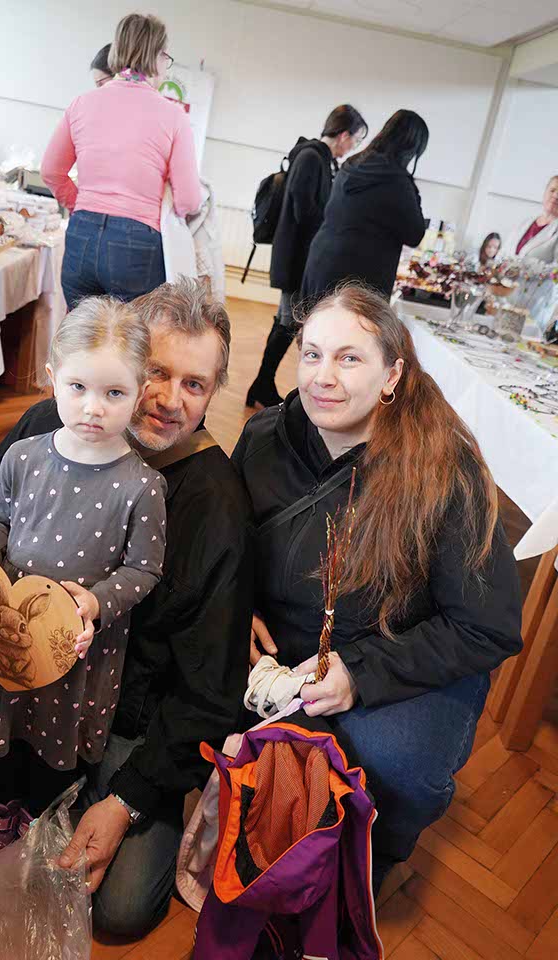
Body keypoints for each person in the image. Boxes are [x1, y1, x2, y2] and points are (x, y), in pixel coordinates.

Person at [0, 278, 252, 937]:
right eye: (157, 373)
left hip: (117, 706)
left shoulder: (215, 506)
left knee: (121, 909)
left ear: (215, 392)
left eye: (194, 384)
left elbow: (208, 694)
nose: (168, 400)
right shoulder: (54, 422)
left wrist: (128, 800)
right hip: (9, 648)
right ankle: (7, 775)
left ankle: (55, 790)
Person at [232, 283, 522, 895]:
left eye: (349, 358)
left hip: (399, 657)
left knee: (394, 760)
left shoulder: (445, 473)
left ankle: (374, 853)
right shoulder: (263, 439)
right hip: (289, 650)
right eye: (312, 354)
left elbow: (485, 625)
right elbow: (230, 547)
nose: (323, 377)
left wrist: (360, 673)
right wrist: (238, 610)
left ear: (392, 375)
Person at [0, 299, 166, 848]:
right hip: (10, 630)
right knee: (7, 727)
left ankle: (39, 825)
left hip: (77, 647)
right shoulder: (23, 456)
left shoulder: (142, 486)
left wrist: (97, 601)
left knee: (57, 740)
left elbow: (144, 569)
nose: (93, 408)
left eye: (114, 393)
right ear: (52, 377)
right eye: (78, 387)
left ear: (139, 393)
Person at [41, 13, 201, 308]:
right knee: (133, 335)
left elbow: (51, 171)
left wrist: (81, 205)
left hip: (81, 233)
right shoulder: (173, 115)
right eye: (165, 57)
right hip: (138, 244)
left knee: (81, 333)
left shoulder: (82, 103)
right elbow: (189, 200)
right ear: (156, 56)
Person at [246, 104, 368, 409]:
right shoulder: (312, 157)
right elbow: (305, 210)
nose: (353, 147)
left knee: (287, 323)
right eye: (355, 139)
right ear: (343, 135)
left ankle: (261, 384)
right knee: (287, 323)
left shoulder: (319, 159)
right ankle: (261, 384)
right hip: (297, 258)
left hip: (300, 257)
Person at [301, 110, 428, 303]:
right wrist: (412, 185)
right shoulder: (397, 181)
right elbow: (415, 234)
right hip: (358, 276)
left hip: (322, 258)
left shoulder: (352, 163)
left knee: (313, 319)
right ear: (412, 148)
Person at [503, 175, 558, 263]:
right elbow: (503, 252)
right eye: (552, 190)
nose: (555, 196)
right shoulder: (524, 223)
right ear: (545, 192)